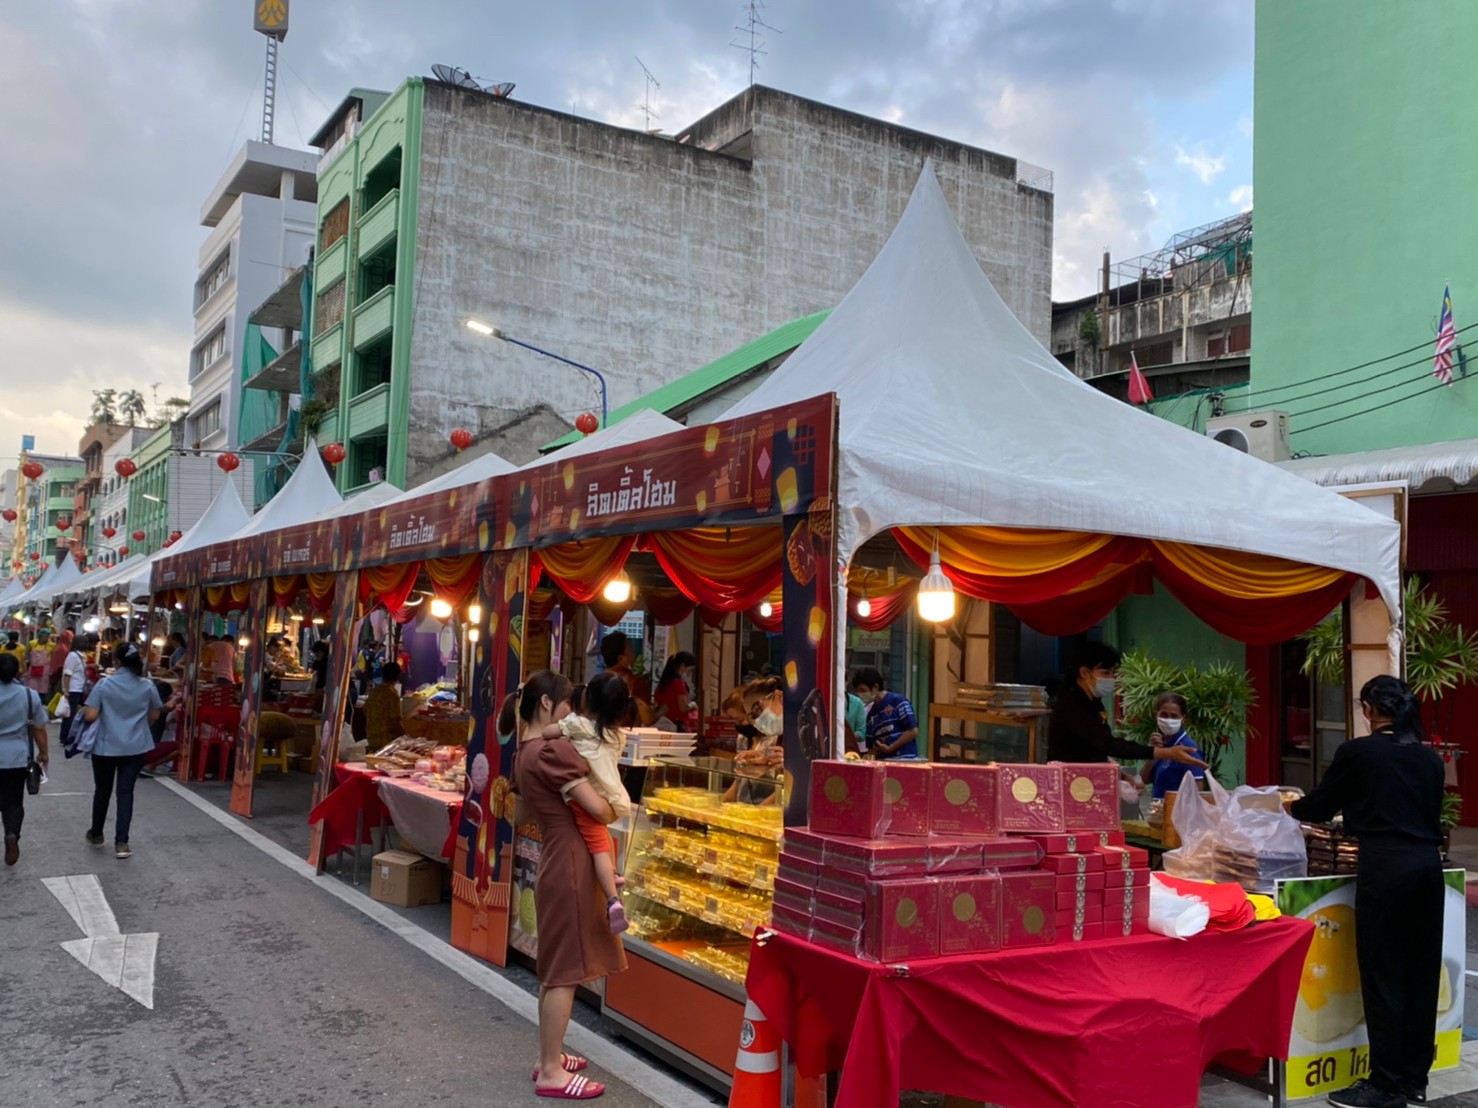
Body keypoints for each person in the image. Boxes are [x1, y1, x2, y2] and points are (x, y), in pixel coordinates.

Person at [1287, 675, 1444, 1108]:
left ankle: (1385, 1084)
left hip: (1386, 866)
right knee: (1420, 974)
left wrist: (1289, 807)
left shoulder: (1360, 752)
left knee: (1383, 973)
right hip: (1427, 866)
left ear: (1371, 710)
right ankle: (1414, 1080)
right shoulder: (1428, 757)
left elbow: (1319, 806)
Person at [510, 670, 625, 1099]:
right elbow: (599, 809)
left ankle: (548, 1057)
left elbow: (521, 814)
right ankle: (554, 1072)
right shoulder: (553, 750)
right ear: (545, 704)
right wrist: (614, 806)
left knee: (555, 967)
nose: (571, 710)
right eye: (565, 702)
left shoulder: (525, 750)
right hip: (572, 863)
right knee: (565, 973)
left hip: (554, 857)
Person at [544, 672, 633, 933]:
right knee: (603, 837)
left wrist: (556, 730)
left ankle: (611, 900)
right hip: (612, 794)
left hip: (587, 796)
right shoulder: (618, 736)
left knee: (598, 848)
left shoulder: (577, 725)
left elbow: (549, 733)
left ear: (587, 700)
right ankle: (613, 874)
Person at [1045, 643, 1206, 773]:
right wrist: (1166, 753)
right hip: (1068, 781)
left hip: (1087, 778)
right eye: (1106, 673)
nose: (1111, 679)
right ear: (1085, 673)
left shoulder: (1094, 703)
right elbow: (1108, 744)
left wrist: (1119, 774)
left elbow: (1097, 746)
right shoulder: (1071, 705)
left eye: (1113, 673)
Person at [82, 642, 163, 860]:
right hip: (135, 746)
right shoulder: (146, 685)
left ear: (116, 661)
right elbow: (155, 715)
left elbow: (90, 715)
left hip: (106, 746)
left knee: (103, 791)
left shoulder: (104, 685)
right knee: (125, 793)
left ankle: (97, 833)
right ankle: (122, 842)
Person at [0, 653, 49, 866]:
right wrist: (44, 753)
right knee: (13, 802)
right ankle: (12, 834)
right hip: (16, 757)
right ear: (18, 672)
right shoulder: (29, 695)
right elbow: (39, 728)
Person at [1138, 692, 1207, 799]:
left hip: (1177, 812)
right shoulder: (1161, 743)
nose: (1169, 720)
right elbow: (1145, 779)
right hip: (1158, 809)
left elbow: (1197, 789)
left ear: (1183, 718)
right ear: (1156, 715)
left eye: (1174, 716)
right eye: (1164, 715)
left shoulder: (1187, 747)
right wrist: (1153, 752)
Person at [851, 667, 921, 760]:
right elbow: (872, 748)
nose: (860, 695)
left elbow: (913, 731)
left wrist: (890, 748)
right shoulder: (871, 715)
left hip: (905, 760)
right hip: (883, 765)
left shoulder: (898, 702)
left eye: (863, 690)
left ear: (875, 687)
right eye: (857, 692)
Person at [57, 632, 95, 753]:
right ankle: (65, 737)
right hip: (73, 689)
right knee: (69, 715)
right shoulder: (73, 656)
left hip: (78, 688)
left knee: (72, 714)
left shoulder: (79, 656)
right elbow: (68, 673)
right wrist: (66, 690)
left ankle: (68, 736)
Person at [364, 661, 407, 751]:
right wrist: (406, 737)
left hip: (371, 737)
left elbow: (365, 711)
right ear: (398, 676)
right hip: (385, 741)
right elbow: (395, 721)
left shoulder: (374, 691)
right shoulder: (392, 695)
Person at [652, 651, 699, 732]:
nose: (689, 674)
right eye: (690, 670)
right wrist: (693, 705)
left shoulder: (663, 683)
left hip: (662, 725)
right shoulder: (678, 682)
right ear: (682, 666)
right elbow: (683, 708)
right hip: (677, 727)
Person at [25, 628, 52, 696]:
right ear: (40, 636)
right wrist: (30, 660)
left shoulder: (52, 645)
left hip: (44, 672)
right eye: (45, 636)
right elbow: (26, 653)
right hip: (33, 670)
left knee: (42, 690)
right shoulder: (32, 643)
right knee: (31, 689)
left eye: (48, 636)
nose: (47, 638)